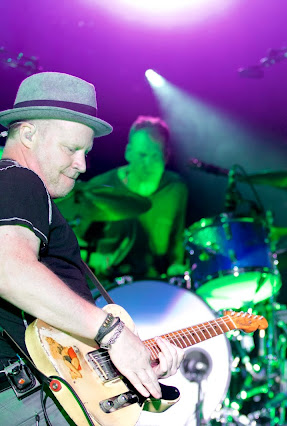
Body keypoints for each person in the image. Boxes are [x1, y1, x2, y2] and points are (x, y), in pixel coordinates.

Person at [0, 72, 184, 425]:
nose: (83, 164)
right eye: (72, 149)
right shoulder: (19, 180)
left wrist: (130, 363)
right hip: (27, 401)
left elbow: (58, 343)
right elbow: (9, 270)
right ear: (28, 133)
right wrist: (113, 334)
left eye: (87, 152)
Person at [81, 115, 188, 281]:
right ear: (128, 153)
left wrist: (176, 264)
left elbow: (177, 238)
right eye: (142, 155)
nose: (148, 164)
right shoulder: (100, 187)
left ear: (166, 156)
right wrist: (95, 259)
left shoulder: (175, 188)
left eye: (155, 156)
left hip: (156, 284)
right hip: (106, 286)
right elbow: (70, 243)